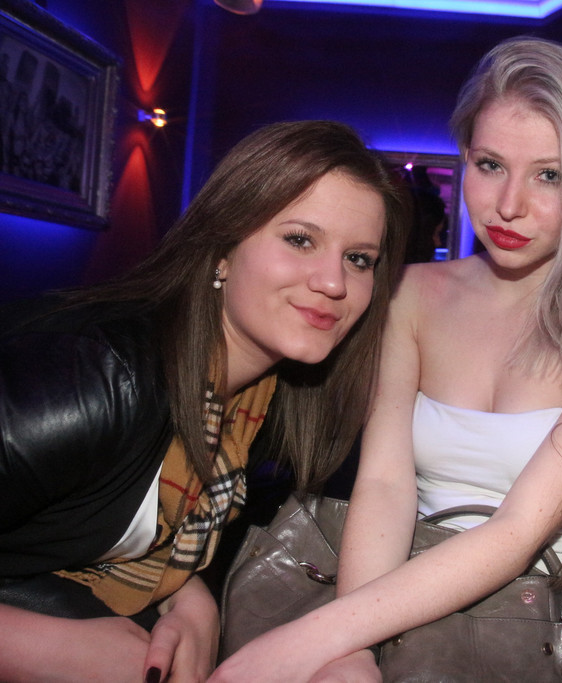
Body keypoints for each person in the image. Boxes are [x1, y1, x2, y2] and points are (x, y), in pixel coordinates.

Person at [212, 36, 562, 682]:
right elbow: (385, 485)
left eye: (549, 175)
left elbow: (517, 532)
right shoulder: (411, 293)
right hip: (410, 622)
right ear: (465, 156)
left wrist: (315, 638)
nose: (509, 204)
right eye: (490, 165)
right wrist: (354, 652)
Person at [0, 119, 409, 682]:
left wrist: (190, 595)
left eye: (359, 259)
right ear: (223, 248)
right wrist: (48, 650)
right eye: (300, 240)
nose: (334, 283)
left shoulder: (259, 404)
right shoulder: (97, 379)